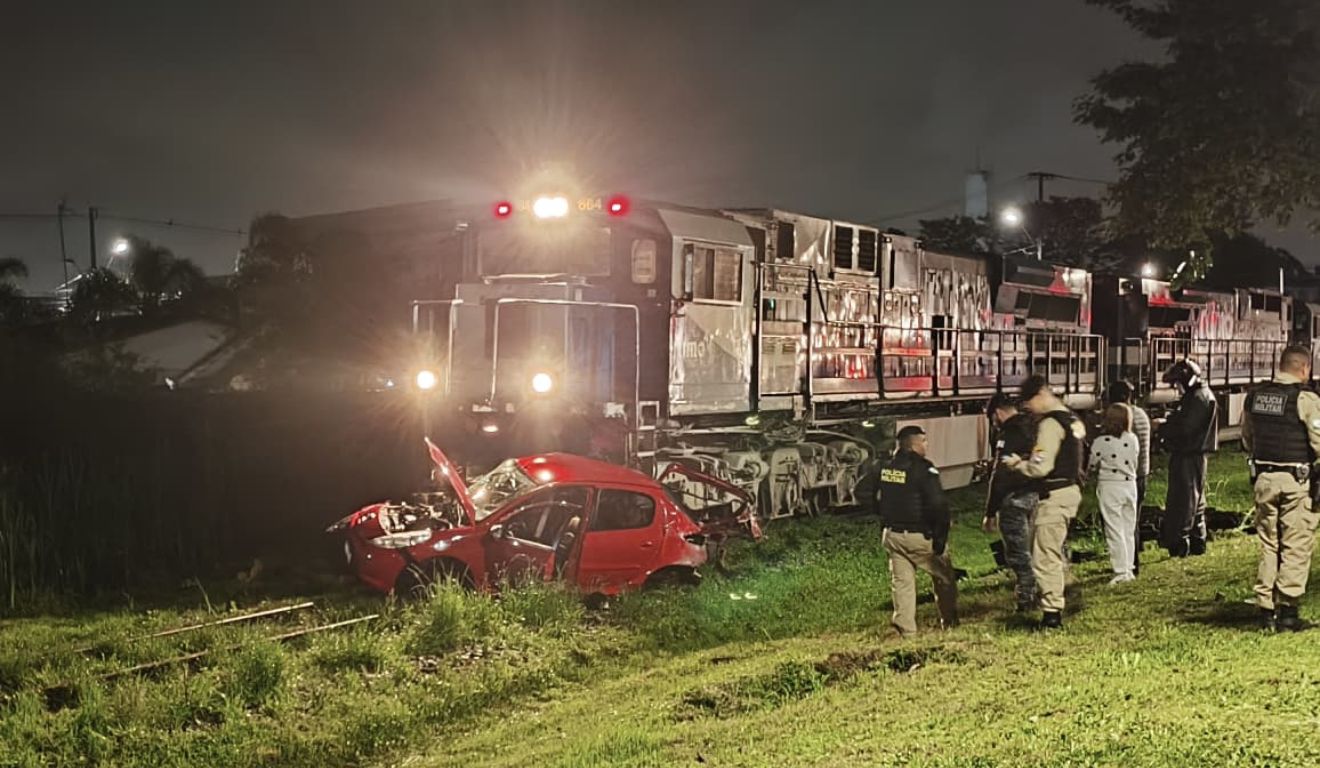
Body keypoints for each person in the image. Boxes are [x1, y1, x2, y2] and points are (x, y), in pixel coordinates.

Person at [1240, 345, 1320, 632]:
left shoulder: (1255, 396)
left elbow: (1247, 437)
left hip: (1264, 478)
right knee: (1296, 544)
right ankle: (1288, 612)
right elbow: (1318, 440)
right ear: (1304, 368)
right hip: (1295, 482)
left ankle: (1265, 608)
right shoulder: (1305, 399)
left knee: (1268, 542)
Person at [1001, 375, 1086, 629]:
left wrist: (1019, 464)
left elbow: (1041, 466)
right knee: (1054, 549)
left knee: (1044, 555)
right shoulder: (1073, 419)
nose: (1029, 411)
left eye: (1029, 404)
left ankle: (1052, 613)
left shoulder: (1050, 424)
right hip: (1070, 490)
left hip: (1054, 495)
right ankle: (1062, 594)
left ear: (1040, 395)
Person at [876, 424, 958, 636]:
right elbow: (938, 505)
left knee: (902, 583)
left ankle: (906, 632)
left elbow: (863, 491)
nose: (926, 444)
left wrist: (882, 513)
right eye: (923, 441)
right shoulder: (924, 469)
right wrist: (940, 538)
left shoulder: (885, 467)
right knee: (944, 577)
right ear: (913, 445)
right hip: (920, 537)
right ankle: (949, 623)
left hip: (893, 536)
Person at [982, 393, 1039, 612]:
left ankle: (1026, 597)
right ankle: (1049, 591)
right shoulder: (1036, 427)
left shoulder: (1008, 433)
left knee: (1018, 551)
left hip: (1015, 499)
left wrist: (990, 510)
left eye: (993, 419)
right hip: (1038, 495)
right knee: (1039, 548)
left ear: (997, 413)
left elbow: (1000, 474)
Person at [1158, 359, 1218, 557]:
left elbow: (1185, 429)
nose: (1176, 388)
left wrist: (1164, 427)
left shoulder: (1197, 399)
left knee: (1183, 499)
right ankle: (1197, 540)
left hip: (1188, 453)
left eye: (1177, 383)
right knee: (1195, 499)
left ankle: (1180, 543)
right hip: (1194, 454)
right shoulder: (1200, 395)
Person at [1089, 404, 1140, 584]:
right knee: (1128, 529)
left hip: (1110, 486)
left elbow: (1092, 464)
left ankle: (1120, 571)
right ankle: (1129, 568)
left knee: (1114, 529)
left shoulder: (1101, 442)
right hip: (1130, 485)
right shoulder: (1133, 438)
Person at [1105, 381, 1151, 574]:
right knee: (1133, 521)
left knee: (1119, 523)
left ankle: (1126, 565)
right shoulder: (1141, 415)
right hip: (1141, 474)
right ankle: (1132, 563)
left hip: (1123, 478)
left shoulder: (1120, 418)